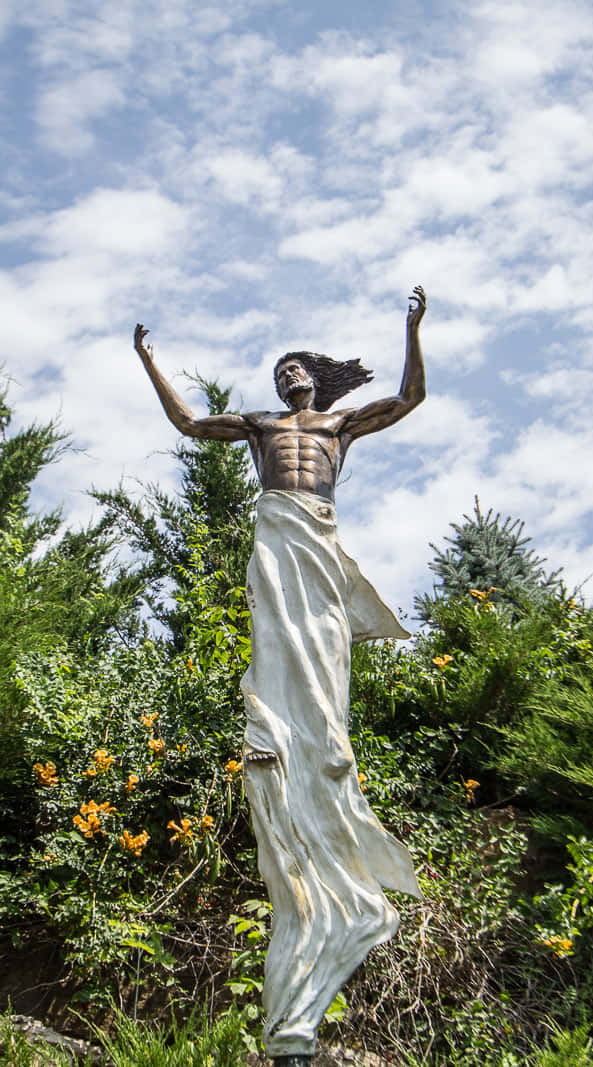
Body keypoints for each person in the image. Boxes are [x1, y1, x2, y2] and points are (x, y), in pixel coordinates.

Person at [134, 287, 428, 1064]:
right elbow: (192, 424)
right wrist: (149, 361)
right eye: (279, 367)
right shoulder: (261, 427)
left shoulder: (338, 423)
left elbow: (409, 397)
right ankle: (280, 741)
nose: (288, 372)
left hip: (318, 531)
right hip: (276, 533)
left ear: (317, 381)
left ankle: (326, 792)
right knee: (280, 645)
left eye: (298, 365)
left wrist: (412, 328)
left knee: (325, 659)